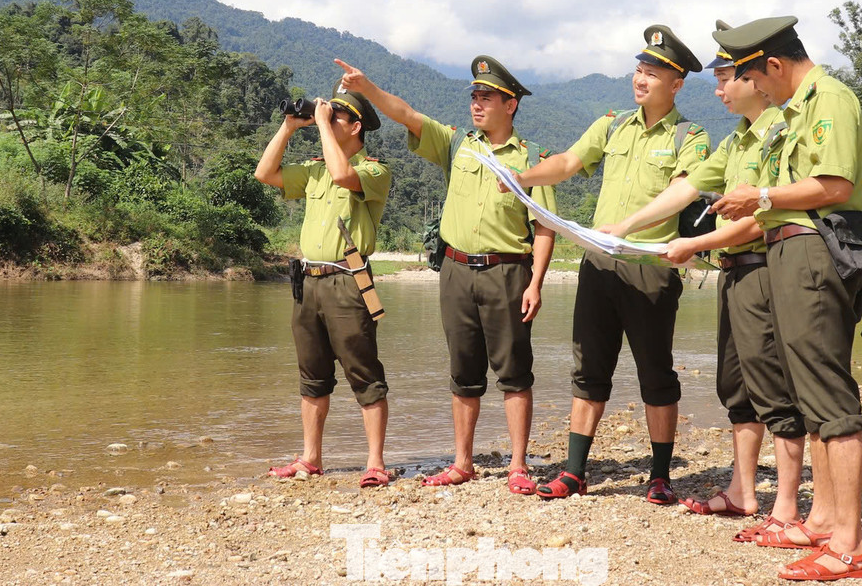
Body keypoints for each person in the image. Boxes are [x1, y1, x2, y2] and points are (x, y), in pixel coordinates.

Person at [599, 22, 808, 545]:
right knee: (735, 387)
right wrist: (625, 226)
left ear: (754, 80)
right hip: (732, 274)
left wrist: (694, 245)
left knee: (774, 390)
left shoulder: (779, 133)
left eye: (724, 78)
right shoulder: (736, 140)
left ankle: (786, 504)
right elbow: (688, 188)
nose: (717, 90)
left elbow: (763, 212)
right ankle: (743, 490)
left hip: (764, 268)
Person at [335, 55, 557, 495]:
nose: (477, 103)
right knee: (463, 371)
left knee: (514, 371)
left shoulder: (532, 158)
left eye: (486, 97)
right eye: (474, 96)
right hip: (455, 270)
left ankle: (517, 465)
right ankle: (462, 462)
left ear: (510, 104)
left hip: (508, 271)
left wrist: (535, 282)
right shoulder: (458, 144)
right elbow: (407, 115)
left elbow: (545, 226)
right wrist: (367, 89)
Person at [512, 25, 709, 505]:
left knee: (655, 372)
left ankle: (660, 475)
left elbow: (679, 194)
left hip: (651, 266)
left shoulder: (691, 136)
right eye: (639, 70)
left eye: (653, 72)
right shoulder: (613, 124)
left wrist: (627, 227)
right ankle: (575, 471)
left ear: (677, 82)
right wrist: (521, 177)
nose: (641, 79)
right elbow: (567, 162)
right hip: (599, 263)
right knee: (589, 367)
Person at [710, 16, 862, 581]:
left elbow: (835, 186)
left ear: (774, 66)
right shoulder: (797, 108)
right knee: (808, 396)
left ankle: (848, 546)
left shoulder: (827, 98)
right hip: (785, 248)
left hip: (811, 248)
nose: (759, 92)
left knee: (829, 397)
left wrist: (759, 193)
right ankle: (825, 521)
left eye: (756, 79)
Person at [254, 87, 393, 488]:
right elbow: (265, 174)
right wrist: (287, 127)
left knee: (365, 374)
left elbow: (341, 174)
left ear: (356, 126)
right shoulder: (313, 169)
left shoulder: (373, 171)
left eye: (336, 118)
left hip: (348, 283)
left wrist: (320, 125)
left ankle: (375, 463)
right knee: (312, 377)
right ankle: (311, 458)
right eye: (327, 117)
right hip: (307, 283)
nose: (328, 122)